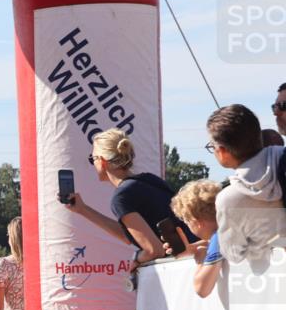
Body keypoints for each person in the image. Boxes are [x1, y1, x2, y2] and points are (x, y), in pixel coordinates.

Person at [65, 128, 190, 270]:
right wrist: (82, 209)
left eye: (92, 159)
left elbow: (154, 250)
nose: (93, 164)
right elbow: (130, 235)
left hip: (179, 269)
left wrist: (136, 260)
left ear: (102, 161)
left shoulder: (122, 196)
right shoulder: (150, 180)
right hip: (194, 259)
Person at [207, 104, 286, 263]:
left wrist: (211, 244)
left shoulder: (228, 199)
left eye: (212, 146)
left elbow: (234, 256)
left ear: (222, 151)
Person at [168, 180, 223, 298]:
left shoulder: (219, 237)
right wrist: (193, 248)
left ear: (196, 222)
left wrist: (201, 259)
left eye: (186, 221)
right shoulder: (229, 228)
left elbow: (201, 289)